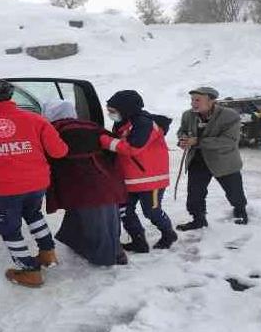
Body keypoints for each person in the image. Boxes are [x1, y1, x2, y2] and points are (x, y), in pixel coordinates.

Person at [0, 80, 68, 288]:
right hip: (37, 182)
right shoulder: (36, 120)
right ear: (11, 97)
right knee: (33, 214)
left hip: (4, 187)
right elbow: (60, 152)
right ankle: (48, 254)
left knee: (8, 228)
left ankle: (29, 271)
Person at [42, 100, 128, 266]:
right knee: (107, 216)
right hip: (105, 178)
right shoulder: (91, 126)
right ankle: (116, 251)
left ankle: (104, 257)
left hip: (79, 182)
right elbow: (114, 147)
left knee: (93, 219)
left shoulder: (53, 131)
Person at [99, 90, 178, 253]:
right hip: (129, 178)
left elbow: (133, 148)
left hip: (150, 179)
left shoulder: (144, 124)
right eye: (109, 111)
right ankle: (138, 240)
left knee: (152, 211)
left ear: (125, 108)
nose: (110, 114)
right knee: (124, 210)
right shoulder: (123, 122)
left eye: (113, 111)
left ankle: (169, 234)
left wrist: (104, 141)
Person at [176, 86, 249, 231]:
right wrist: (183, 139)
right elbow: (182, 131)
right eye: (192, 100)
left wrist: (197, 141)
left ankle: (240, 210)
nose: (193, 103)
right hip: (197, 159)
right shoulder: (188, 115)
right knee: (195, 193)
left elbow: (229, 140)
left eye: (197, 100)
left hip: (224, 160)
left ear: (211, 101)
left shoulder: (230, 116)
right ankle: (198, 219)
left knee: (234, 191)